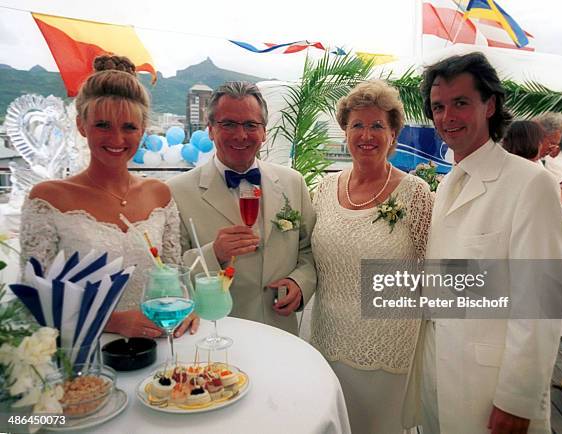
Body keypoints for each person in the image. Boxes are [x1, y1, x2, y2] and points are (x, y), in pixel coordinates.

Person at [415, 52, 562, 434]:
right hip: (436, 375)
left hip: (489, 387)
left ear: (490, 105)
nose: (447, 117)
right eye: (438, 106)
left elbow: (542, 302)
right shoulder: (449, 180)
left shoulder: (530, 184)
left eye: (461, 103)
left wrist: (516, 399)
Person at [20, 55, 198, 338]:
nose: (117, 139)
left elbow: (173, 276)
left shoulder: (159, 194)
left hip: (162, 348)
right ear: (81, 125)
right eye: (103, 125)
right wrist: (110, 321)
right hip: (84, 355)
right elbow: (32, 297)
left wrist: (188, 309)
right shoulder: (48, 198)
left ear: (142, 130)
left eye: (129, 127)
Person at [310, 80, 433, 434]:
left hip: (388, 349)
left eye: (377, 125)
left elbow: (431, 272)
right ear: (345, 132)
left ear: (393, 133)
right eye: (357, 125)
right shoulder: (322, 189)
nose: (367, 134)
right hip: (327, 339)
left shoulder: (416, 194)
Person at [168, 81, 316, 334]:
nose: (240, 135)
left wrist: (300, 282)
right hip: (213, 328)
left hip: (279, 327)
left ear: (264, 132)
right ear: (211, 130)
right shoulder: (177, 191)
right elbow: (171, 272)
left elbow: (310, 249)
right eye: (228, 124)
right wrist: (214, 253)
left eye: (251, 125)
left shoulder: (293, 182)